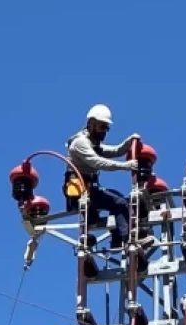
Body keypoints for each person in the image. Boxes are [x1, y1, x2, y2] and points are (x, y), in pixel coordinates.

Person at [65, 104, 155, 250]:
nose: (104, 132)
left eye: (106, 128)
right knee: (118, 202)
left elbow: (114, 151)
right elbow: (98, 162)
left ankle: (117, 239)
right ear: (91, 124)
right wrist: (125, 166)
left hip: (89, 191)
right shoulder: (80, 143)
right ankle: (129, 240)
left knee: (120, 199)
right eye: (101, 127)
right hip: (80, 193)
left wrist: (128, 142)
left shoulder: (93, 144)